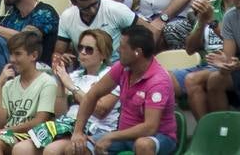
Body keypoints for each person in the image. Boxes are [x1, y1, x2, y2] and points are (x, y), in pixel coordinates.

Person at [68, 24, 179, 155]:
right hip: (124, 136)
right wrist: (78, 132)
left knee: (143, 144)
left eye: (122, 47)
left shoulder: (158, 81)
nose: (118, 50)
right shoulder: (122, 67)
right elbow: (92, 95)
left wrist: (111, 136)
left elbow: (150, 127)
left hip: (158, 137)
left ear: (137, 52)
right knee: (74, 149)